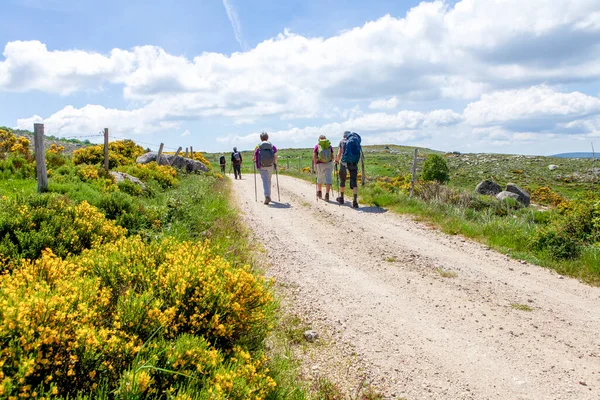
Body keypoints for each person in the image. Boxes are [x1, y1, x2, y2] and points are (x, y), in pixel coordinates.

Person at [335, 131, 360, 208]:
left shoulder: (342, 142)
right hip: (354, 163)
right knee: (354, 182)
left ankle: (341, 198)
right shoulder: (355, 141)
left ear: (344, 136)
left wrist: (336, 161)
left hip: (344, 163)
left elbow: (339, 153)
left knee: (342, 180)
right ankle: (355, 201)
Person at [253, 132, 278, 205]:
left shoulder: (258, 147)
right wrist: (275, 163)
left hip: (261, 166)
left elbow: (254, 157)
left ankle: (267, 196)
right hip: (270, 165)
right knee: (268, 180)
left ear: (260, 138)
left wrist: (254, 159)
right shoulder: (272, 146)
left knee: (265, 180)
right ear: (267, 138)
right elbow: (275, 156)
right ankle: (268, 195)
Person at [313, 134, 334, 201]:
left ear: (319, 140)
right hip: (329, 163)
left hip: (320, 164)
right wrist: (331, 161)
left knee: (319, 177)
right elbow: (332, 156)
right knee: (328, 179)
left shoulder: (317, 146)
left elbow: (314, 156)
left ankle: (319, 192)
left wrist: (315, 164)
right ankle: (327, 194)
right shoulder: (329, 146)